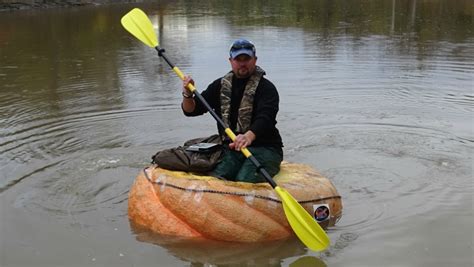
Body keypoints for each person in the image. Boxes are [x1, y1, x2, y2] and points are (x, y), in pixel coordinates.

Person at [181, 39, 283, 183]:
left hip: (266, 148)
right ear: (231, 61)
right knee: (217, 179)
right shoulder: (220, 85)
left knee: (243, 180)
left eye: (246, 58)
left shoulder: (267, 89)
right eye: (238, 59)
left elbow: (265, 118)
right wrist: (187, 93)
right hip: (232, 149)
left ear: (255, 60)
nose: (242, 63)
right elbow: (191, 110)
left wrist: (247, 137)